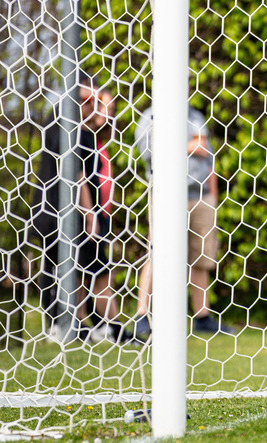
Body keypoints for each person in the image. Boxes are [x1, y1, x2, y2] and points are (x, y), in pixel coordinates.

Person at [31, 77, 133, 344]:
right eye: (86, 101)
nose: (93, 107)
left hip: (53, 213)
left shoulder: (63, 127)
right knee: (77, 271)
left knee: (78, 270)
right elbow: (77, 176)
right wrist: (90, 215)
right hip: (64, 214)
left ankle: (79, 326)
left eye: (96, 102)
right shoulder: (70, 129)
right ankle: (76, 326)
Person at [132, 105, 235, 336]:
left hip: (200, 196)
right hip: (167, 195)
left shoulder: (195, 116)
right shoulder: (151, 116)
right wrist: (186, 145)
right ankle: (142, 315)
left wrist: (212, 196)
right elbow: (146, 152)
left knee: (202, 257)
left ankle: (202, 317)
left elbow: (208, 155)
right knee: (156, 253)